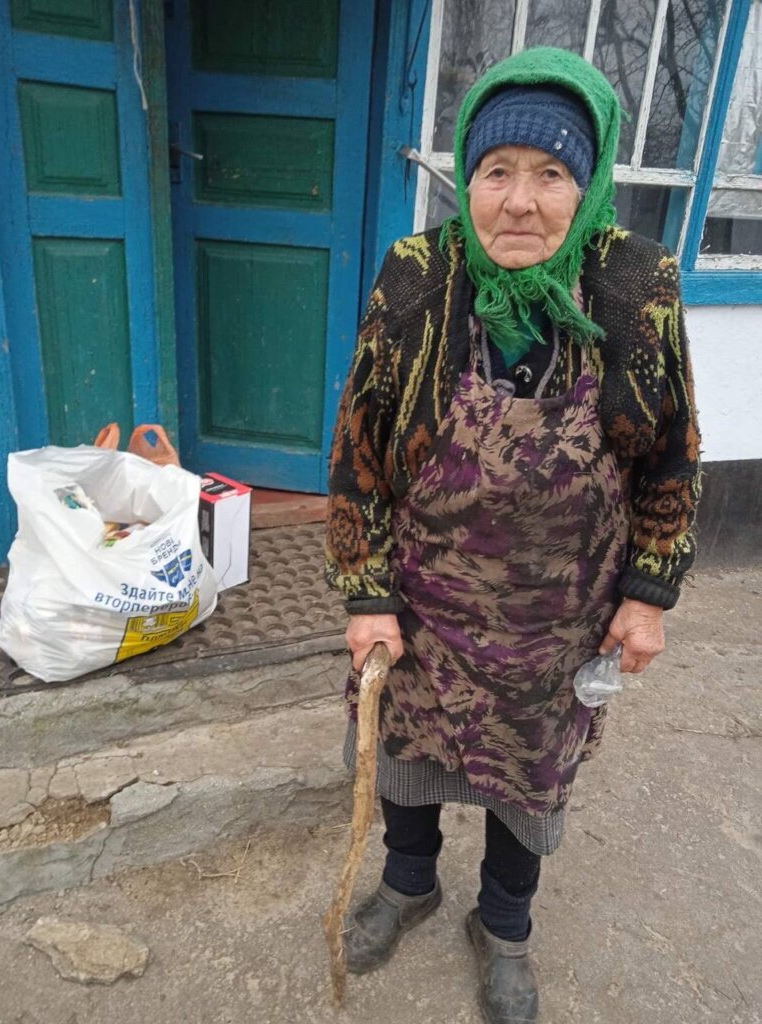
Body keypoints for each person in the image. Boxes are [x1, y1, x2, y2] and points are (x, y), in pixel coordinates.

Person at [325, 46, 701, 1024]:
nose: (520, 202)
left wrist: (649, 594)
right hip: (424, 601)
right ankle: (411, 884)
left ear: (590, 184)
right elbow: (360, 445)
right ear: (468, 179)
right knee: (404, 752)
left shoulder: (637, 284)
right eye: (497, 172)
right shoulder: (417, 276)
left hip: (557, 619)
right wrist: (367, 593)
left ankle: (504, 925)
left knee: (526, 783)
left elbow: (671, 453)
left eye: (551, 174)